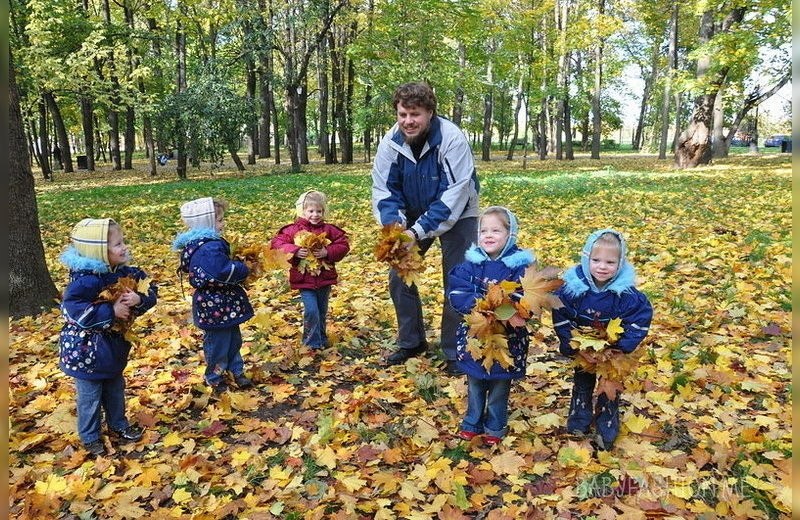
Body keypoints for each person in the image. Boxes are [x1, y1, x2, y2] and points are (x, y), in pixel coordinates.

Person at [371, 81, 480, 376]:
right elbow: (384, 190)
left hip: (459, 212)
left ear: (430, 112)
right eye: (403, 114)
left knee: (458, 279)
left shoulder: (452, 139)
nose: (408, 121)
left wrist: (416, 233)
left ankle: (454, 349)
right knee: (399, 276)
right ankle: (411, 341)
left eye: (415, 114)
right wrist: (396, 228)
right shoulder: (390, 143)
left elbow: (453, 195)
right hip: (413, 211)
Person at [58, 218, 158, 456]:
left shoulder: (124, 273)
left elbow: (148, 286)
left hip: (112, 349)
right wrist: (109, 312)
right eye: (117, 244)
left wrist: (140, 299)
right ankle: (90, 436)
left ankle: (118, 424)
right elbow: (72, 311)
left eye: (123, 242)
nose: (124, 247)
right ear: (100, 252)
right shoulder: (85, 281)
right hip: (86, 352)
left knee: (115, 389)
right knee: (90, 397)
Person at [552, 229, 653, 450]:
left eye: (610, 262)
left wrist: (622, 346)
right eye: (596, 260)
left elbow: (641, 318)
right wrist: (573, 344)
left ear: (620, 263)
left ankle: (607, 427)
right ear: (586, 258)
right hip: (584, 350)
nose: (602, 266)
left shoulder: (626, 295)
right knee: (582, 384)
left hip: (612, 353)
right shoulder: (573, 290)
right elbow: (560, 315)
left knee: (609, 388)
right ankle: (579, 420)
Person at [447, 206, 536, 445]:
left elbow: (528, 299)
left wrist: (505, 309)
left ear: (511, 235)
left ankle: (495, 426)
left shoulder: (520, 267)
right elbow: (457, 291)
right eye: (483, 230)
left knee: (499, 383)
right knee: (475, 380)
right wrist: (478, 306)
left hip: (508, 339)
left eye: (496, 230)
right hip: (476, 335)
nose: (488, 235)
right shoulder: (470, 264)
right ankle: (472, 421)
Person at [172, 197, 255, 395]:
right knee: (218, 342)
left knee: (233, 339)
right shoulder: (208, 247)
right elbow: (220, 271)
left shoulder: (209, 244)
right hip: (214, 305)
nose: (222, 224)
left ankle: (236, 370)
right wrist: (243, 268)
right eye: (219, 220)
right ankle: (215, 376)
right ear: (206, 223)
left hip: (223, 303)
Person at [271, 190, 350, 350]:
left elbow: (343, 244)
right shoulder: (292, 230)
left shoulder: (329, 230)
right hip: (304, 280)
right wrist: (294, 250)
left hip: (324, 278)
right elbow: (277, 244)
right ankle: (310, 343)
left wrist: (327, 252)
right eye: (311, 211)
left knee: (321, 311)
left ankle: (321, 338)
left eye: (319, 211)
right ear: (302, 211)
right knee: (312, 311)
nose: (315, 215)